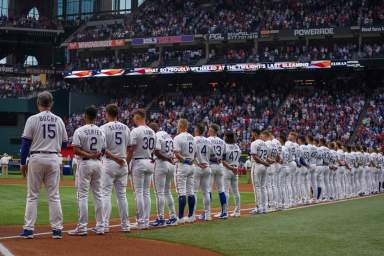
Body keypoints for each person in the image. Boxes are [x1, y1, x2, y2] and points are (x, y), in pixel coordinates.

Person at [20, 91, 68, 239]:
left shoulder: (32, 119)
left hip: (36, 157)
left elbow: (26, 143)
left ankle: (28, 230)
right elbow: (65, 144)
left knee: (32, 195)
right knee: (54, 196)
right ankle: (57, 230)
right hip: (53, 158)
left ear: (38, 103)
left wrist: (23, 162)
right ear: (51, 103)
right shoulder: (59, 120)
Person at [69, 105, 106, 236]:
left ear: (85, 116)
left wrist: (89, 155)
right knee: (98, 195)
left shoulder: (80, 130)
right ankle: (101, 226)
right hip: (98, 164)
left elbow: (75, 149)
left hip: (85, 163)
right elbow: (103, 150)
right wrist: (95, 155)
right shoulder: (101, 131)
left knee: (82, 196)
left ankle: (82, 227)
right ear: (96, 117)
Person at [100, 104, 130, 233]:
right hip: (123, 163)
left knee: (106, 194)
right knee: (122, 196)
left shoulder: (103, 128)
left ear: (107, 113)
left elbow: (102, 149)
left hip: (109, 163)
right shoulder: (126, 127)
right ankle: (125, 225)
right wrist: (123, 160)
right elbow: (130, 147)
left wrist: (116, 158)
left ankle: (105, 225)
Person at [127, 109, 156, 229]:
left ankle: (140, 221)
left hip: (138, 161)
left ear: (138, 117)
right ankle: (146, 220)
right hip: (149, 160)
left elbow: (131, 148)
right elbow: (154, 149)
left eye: (134, 117)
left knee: (138, 192)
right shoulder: (152, 131)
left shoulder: (136, 130)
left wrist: (126, 163)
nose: (133, 118)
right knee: (146, 193)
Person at [148, 122, 178, 227]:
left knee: (159, 193)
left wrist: (166, 159)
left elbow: (156, 152)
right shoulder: (167, 135)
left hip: (161, 164)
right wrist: (170, 159)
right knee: (167, 192)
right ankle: (173, 216)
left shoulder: (155, 136)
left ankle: (160, 218)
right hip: (171, 165)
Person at [173, 119, 196, 224]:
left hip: (182, 165)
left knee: (181, 192)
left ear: (181, 126)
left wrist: (185, 160)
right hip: (192, 165)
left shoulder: (178, 137)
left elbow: (177, 154)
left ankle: (181, 218)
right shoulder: (192, 137)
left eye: (178, 125)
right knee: (190, 192)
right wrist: (190, 161)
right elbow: (195, 154)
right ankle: (191, 216)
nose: (177, 127)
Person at [208, 124, 228, 219]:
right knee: (221, 189)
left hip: (211, 165)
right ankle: (224, 212)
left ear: (212, 130)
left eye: (209, 129)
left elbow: (206, 154)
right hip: (220, 166)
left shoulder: (208, 140)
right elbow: (224, 156)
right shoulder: (222, 141)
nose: (208, 131)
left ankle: (207, 212)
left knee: (208, 190)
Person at [193, 123, 212, 221]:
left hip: (197, 167)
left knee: (194, 192)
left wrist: (197, 163)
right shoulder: (208, 140)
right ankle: (207, 214)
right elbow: (212, 154)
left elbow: (192, 154)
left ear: (197, 130)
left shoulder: (194, 139)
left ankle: (192, 215)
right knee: (206, 192)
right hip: (207, 166)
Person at [250, 130, 270, 214]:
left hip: (257, 165)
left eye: (252, 133)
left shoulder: (254, 143)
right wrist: (267, 162)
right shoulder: (265, 143)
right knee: (263, 187)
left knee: (257, 188)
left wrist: (263, 162)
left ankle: (259, 208)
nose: (251, 135)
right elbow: (267, 157)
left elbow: (254, 157)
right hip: (264, 166)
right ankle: (265, 208)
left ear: (255, 134)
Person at [222, 131, 241, 217]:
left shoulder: (225, 146)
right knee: (236, 191)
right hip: (235, 169)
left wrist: (230, 168)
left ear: (226, 137)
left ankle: (225, 211)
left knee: (225, 191)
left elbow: (222, 161)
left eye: (224, 136)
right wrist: (234, 168)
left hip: (227, 169)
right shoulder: (237, 146)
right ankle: (237, 211)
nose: (223, 137)